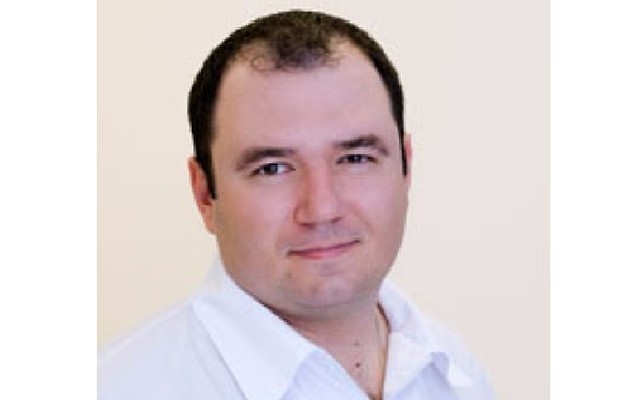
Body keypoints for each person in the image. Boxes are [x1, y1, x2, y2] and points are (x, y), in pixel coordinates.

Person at [98, 10, 495, 400]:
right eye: (272, 168)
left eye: (355, 159)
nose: (322, 209)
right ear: (204, 194)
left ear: (405, 168)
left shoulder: (455, 373)